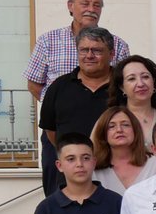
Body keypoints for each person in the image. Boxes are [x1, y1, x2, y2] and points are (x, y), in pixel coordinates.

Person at [26, 0, 128, 193]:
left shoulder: (118, 44)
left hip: (107, 137)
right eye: (85, 3)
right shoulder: (49, 40)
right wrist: (62, 108)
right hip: (60, 131)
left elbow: (125, 84)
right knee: (59, 194)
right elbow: (34, 83)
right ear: (70, 6)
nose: (91, 8)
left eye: (97, 4)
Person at [39, 27, 116, 166]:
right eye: (84, 50)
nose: (89, 55)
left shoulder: (124, 86)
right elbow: (50, 130)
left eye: (97, 50)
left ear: (111, 54)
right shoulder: (59, 86)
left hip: (116, 168)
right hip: (73, 172)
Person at [90, 106, 156, 196]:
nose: (119, 130)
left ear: (135, 130)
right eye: (111, 126)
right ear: (103, 134)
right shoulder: (94, 170)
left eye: (125, 125)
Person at [109, 55, 156, 149]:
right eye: (131, 79)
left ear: (153, 82)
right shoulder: (109, 120)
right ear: (122, 87)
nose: (141, 84)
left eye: (145, 77)